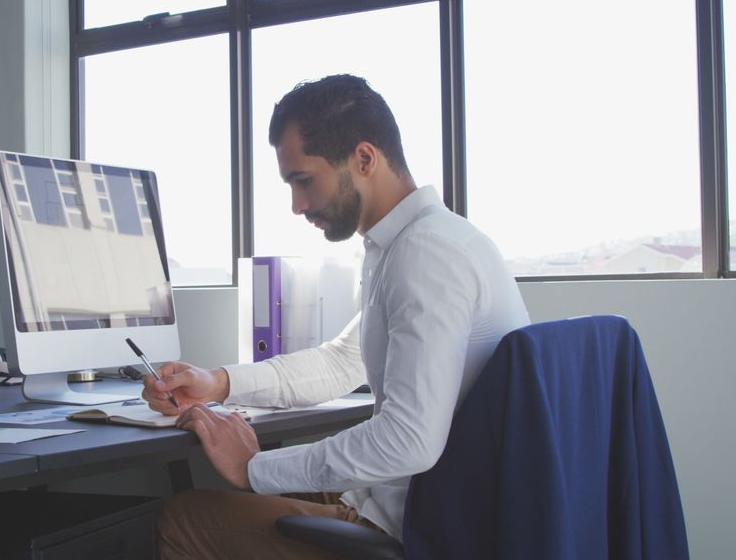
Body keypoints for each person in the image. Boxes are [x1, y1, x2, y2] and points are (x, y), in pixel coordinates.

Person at [141, 74, 531, 559]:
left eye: (303, 180)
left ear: (363, 159)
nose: (297, 205)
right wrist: (218, 382)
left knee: (178, 520)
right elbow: (343, 362)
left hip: (419, 526)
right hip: (406, 499)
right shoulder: (421, 243)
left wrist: (255, 468)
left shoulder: (425, 254)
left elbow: (409, 441)